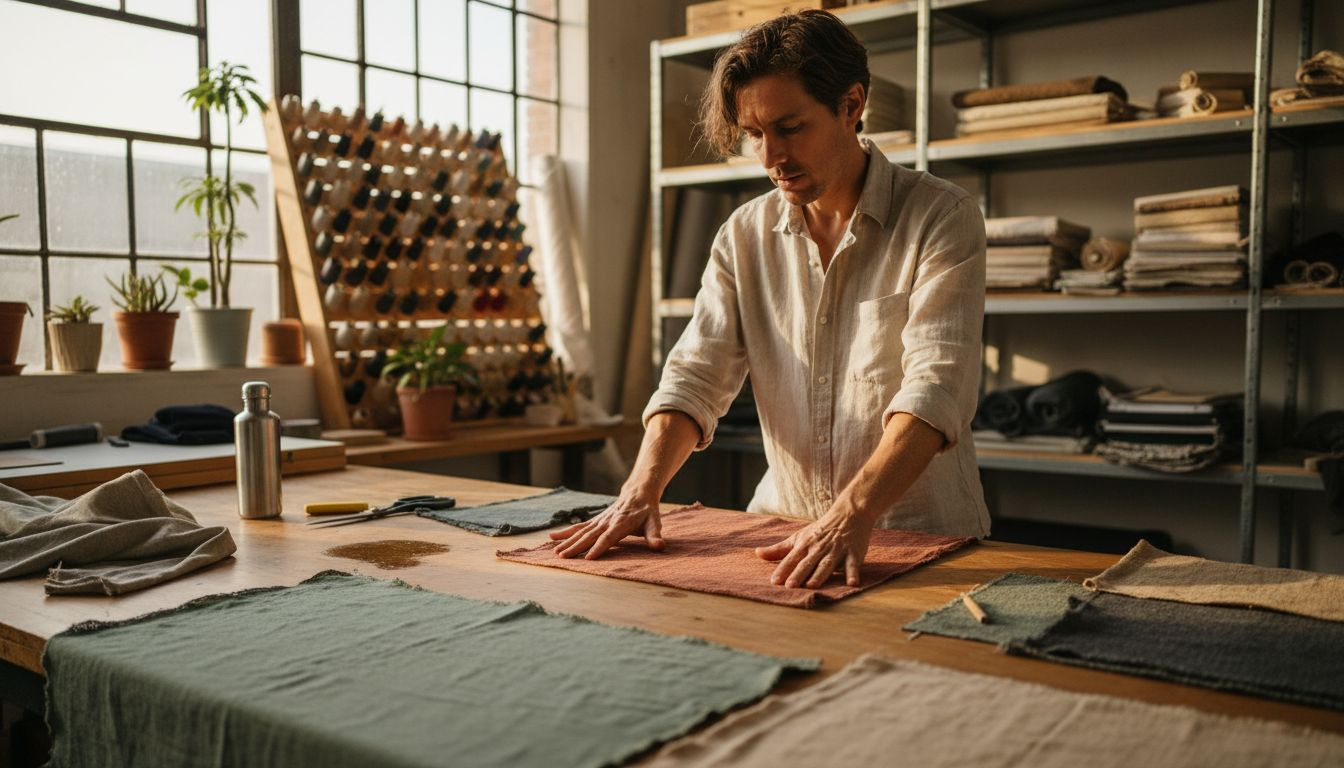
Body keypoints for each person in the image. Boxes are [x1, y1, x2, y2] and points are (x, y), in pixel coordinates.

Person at [551, 9, 989, 589]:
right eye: (754, 134)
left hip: (921, 539)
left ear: (851, 104)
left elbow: (936, 389)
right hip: (780, 531)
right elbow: (695, 375)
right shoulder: (742, 234)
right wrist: (639, 490)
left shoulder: (942, 216)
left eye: (789, 127)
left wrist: (851, 515)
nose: (768, 156)